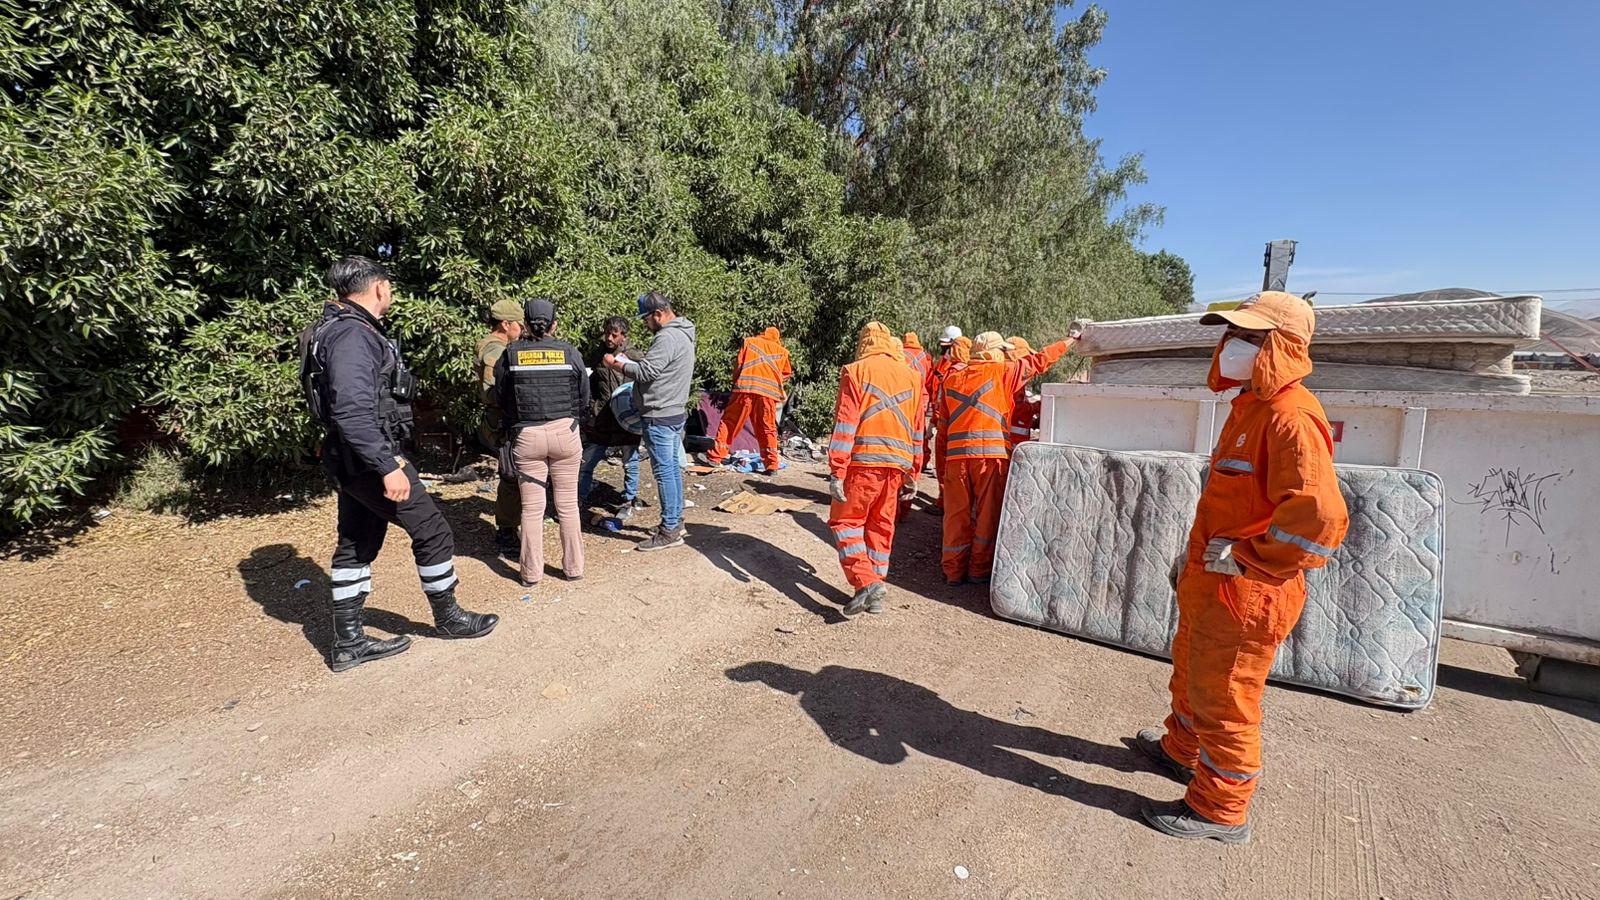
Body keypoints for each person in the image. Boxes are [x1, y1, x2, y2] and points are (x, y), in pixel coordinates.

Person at [1133, 291, 1349, 844]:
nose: (1232, 346)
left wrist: (1253, 559)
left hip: (1248, 591)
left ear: (1280, 347)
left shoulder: (1289, 417)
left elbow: (1320, 517)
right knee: (1191, 672)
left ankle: (1218, 809)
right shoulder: (1251, 408)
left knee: (1226, 697)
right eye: (1233, 335)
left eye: (1249, 337)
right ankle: (1180, 751)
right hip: (1216, 583)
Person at [304, 257, 496, 672]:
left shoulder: (335, 328)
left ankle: (349, 642)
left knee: (357, 541)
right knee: (432, 529)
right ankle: (449, 618)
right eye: (388, 285)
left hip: (351, 456)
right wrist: (387, 466)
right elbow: (353, 411)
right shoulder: (352, 335)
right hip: (369, 457)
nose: (390, 291)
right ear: (378, 288)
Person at [938, 329, 1075, 585]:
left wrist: (940, 470)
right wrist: (1071, 339)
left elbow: (942, 431)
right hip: (991, 458)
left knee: (955, 516)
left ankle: (953, 572)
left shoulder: (951, 379)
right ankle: (978, 571)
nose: (1004, 355)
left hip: (956, 459)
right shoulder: (1004, 372)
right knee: (987, 517)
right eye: (1001, 351)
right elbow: (1040, 360)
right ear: (993, 352)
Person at [826, 322, 926, 616]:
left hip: (863, 462)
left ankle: (866, 582)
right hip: (897, 465)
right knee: (881, 527)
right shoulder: (912, 376)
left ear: (865, 343)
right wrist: (914, 471)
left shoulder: (855, 371)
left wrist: (837, 470)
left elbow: (845, 425)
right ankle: (877, 590)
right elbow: (917, 429)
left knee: (845, 523)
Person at [493, 297, 588, 586]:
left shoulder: (510, 354)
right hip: (565, 434)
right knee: (568, 506)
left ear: (524, 324)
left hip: (527, 437)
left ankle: (530, 574)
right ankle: (573, 569)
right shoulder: (570, 352)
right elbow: (584, 396)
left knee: (532, 510)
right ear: (554, 324)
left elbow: (501, 396)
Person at [605, 292, 696, 551]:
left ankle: (669, 531)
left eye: (646, 318)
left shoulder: (667, 336)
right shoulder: (684, 333)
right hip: (673, 409)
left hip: (659, 412)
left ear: (658, 314)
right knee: (671, 470)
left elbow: (646, 372)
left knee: (664, 471)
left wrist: (617, 365)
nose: (645, 324)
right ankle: (675, 522)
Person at [474, 299, 525, 560]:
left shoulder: (501, 346)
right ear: (505, 324)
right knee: (510, 476)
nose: (522, 329)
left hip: (504, 421)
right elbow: (490, 392)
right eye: (519, 324)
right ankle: (506, 531)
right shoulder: (495, 350)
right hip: (503, 423)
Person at [705, 327, 792, 474]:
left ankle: (715, 457)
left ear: (762, 334)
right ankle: (772, 465)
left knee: (730, 422)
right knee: (767, 428)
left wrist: (735, 382)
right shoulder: (782, 352)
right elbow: (786, 374)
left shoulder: (749, 342)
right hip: (768, 394)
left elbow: (739, 365)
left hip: (745, 389)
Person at [579, 316, 643, 512]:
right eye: (607, 333)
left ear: (623, 336)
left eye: (614, 335)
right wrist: (592, 406)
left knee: (630, 461)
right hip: (603, 418)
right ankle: (579, 498)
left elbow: (648, 378)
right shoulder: (598, 354)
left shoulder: (634, 356)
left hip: (627, 418)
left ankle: (628, 498)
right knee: (588, 461)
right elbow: (588, 379)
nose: (608, 338)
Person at [928, 334, 971, 514]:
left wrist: (935, 421)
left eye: (949, 348)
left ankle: (944, 502)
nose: (946, 351)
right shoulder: (967, 370)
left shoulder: (953, 373)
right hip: (959, 427)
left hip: (947, 426)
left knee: (945, 466)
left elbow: (943, 400)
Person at [897, 332, 934, 520]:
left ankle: (895, 508)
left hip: (902, 403)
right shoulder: (925, 357)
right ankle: (905, 507)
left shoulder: (899, 353)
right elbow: (930, 383)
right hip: (919, 404)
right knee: (916, 451)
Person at [1002, 336, 1041, 452]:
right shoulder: (1012, 379)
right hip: (1012, 441)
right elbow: (1018, 410)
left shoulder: (1008, 375)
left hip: (1013, 440)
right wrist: (1038, 407)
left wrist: (1032, 422)